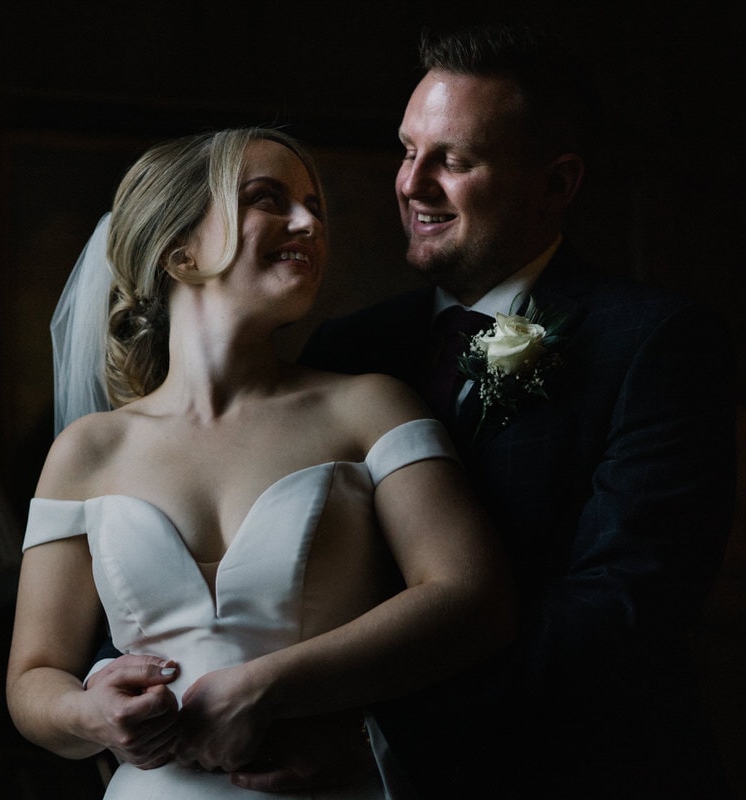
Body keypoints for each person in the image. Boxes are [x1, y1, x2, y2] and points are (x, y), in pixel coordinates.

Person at [5, 126, 516, 798]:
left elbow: (471, 597)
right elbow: (33, 675)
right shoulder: (89, 450)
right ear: (179, 250)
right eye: (267, 200)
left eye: (315, 207)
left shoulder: (369, 409)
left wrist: (266, 688)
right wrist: (91, 714)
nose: (308, 222)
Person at [297, 23, 738, 798]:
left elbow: (624, 605)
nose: (411, 184)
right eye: (408, 151)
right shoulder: (347, 347)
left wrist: (377, 726)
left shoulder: (656, 342)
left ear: (557, 183)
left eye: (454, 161)